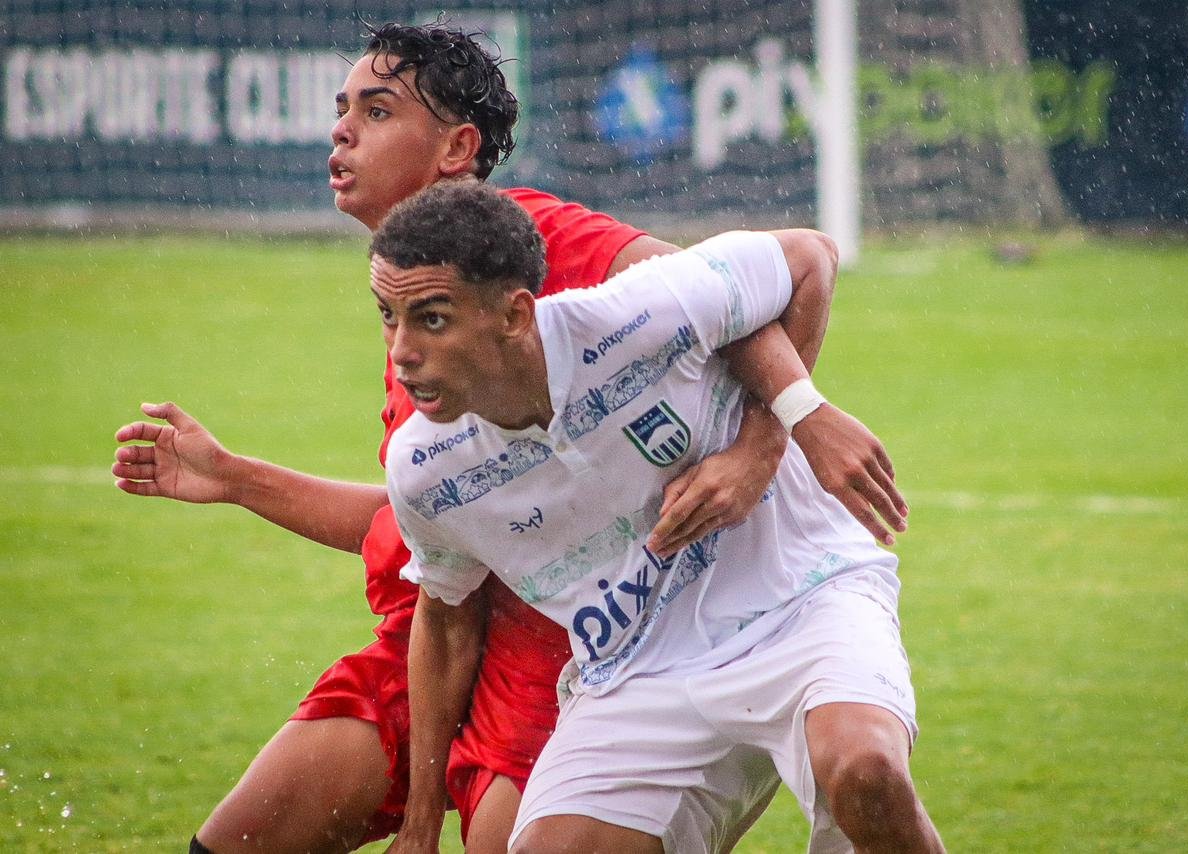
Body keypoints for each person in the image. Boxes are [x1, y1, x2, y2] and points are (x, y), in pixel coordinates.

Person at [111, 21, 905, 854]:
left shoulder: (529, 240)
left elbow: (724, 298)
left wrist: (764, 444)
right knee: (237, 841)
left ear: (458, 148)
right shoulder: (414, 310)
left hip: (562, 646)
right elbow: (430, 519)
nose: (342, 130)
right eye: (342, 109)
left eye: (376, 111)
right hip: (434, 633)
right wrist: (234, 478)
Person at [379, 182, 942, 853]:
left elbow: (809, 257)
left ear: (514, 314)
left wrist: (771, 438)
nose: (401, 351)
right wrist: (420, 823)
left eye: (432, 319)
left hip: (801, 599)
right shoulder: (424, 468)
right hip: (637, 668)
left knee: (867, 770)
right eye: (388, 316)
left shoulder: (634, 313)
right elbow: (444, 620)